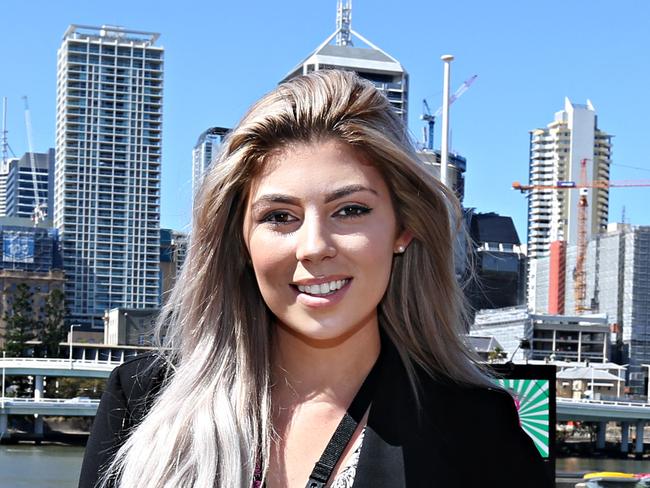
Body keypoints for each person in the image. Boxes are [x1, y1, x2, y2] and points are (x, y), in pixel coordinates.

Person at [79, 70, 551, 488]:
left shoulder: (480, 433)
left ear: (403, 228)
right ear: (239, 240)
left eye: (350, 210)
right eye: (280, 216)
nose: (313, 246)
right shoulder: (142, 404)